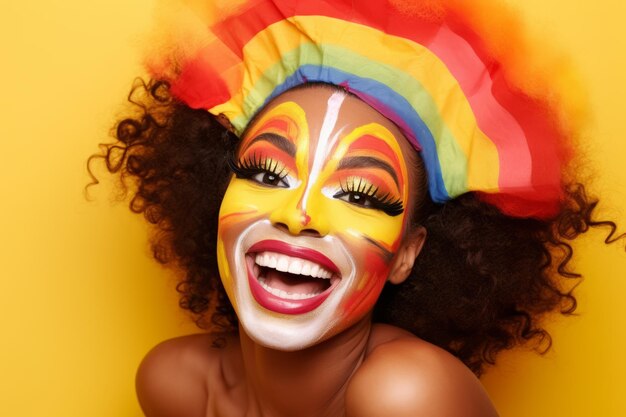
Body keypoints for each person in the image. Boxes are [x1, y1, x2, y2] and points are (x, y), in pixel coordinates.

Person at [90, 0, 622, 416]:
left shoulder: (407, 394)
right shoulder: (172, 383)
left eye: (360, 195)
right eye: (265, 173)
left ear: (407, 256)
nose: (299, 215)